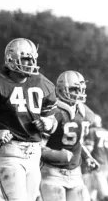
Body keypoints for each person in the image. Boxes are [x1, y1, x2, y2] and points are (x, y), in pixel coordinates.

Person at [0, 38, 58, 201]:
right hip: (10, 151)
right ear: (10, 60)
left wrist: (48, 124)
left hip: (35, 153)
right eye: (26, 59)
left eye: (32, 59)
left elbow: (53, 120)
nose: (31, 63)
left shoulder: (43, 83)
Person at [40, 70, 99, 201]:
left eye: (81, 89)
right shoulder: (53, 111)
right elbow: (37, 146)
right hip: (52, 173)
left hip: (76, 173)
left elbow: (77, 142)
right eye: (73, 89)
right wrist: (54, 155)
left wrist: (87, 156)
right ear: (61, 90)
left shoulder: (85, 113)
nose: (78, 93)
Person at [84, 114, 108, 201]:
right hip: (105, 163)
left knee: (100, 193)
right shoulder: (106, 131)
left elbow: (89, 148)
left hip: (96, 163)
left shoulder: (92, 131)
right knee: (95, 190)